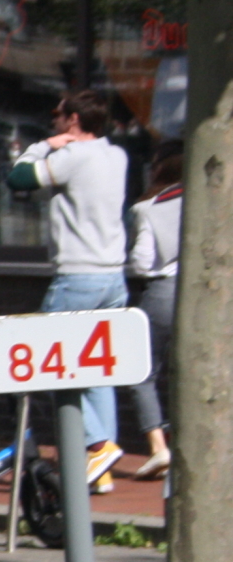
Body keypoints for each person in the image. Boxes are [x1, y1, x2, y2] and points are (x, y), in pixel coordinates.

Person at [8, 89, 131, 492]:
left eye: (57, 116)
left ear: (74, 120)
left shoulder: (73, 156)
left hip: (78, 276)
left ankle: (97, 446)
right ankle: (102, 467)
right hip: (113, 276)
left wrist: (45, 146)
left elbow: (18, 177)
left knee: (46, 361)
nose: (54, 122)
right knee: (98, 372)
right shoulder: (117, 155)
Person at [126, 145, 182, 478]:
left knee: (142, 372)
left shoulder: (148, 208)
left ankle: (159, 447)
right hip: (202, 291)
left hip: (162, 293)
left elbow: (142, 263)